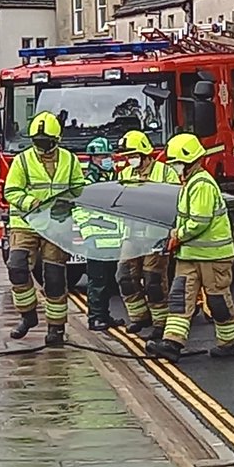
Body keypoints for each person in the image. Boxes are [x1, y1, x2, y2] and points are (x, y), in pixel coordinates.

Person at [147, 133, 234, 362]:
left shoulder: (202, 185)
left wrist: (177, 235)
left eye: (178, 163)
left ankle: (229, 342)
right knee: (180, 299)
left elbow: (199, 220)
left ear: (191, 161)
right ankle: (172, 343)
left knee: (217, 300)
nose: (176, 168)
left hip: (213, 256)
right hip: (189, 255)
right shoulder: (189, 183)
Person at [2, 111, 85, 346]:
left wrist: (68, 206)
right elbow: (11, 191)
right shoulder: (23, 160)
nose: (41, 147)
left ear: (56, 140)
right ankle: (28, 316)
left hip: (56, 226)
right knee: (17, 267)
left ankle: (56, 329)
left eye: (45, 142)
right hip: (26, 223)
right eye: (37, 142)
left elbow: (79, 188)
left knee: (55, 277)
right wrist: (30, 202)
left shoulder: (69, 160)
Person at [115, 130, 180, 339]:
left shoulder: (165, 172)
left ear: (145, 154)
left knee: (153, 278)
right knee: (124, 275)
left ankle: (161, 321)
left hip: (156, 234)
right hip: (132, 233)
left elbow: (174, 200)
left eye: (133, 155)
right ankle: (139, 316)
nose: (129, 160)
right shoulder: (125, 174)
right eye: (127, 156)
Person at [76, 137, 127, 332]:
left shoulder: (113, 178)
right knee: (96, 281)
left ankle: (105, 315)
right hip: (96, 239)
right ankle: (95, 317)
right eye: (102, 156)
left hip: (113, 239)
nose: (106, 159)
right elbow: (79, 209)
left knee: (108, 281)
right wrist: (88, 233)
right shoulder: (88, 182)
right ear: (93, 159)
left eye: (108, 155)